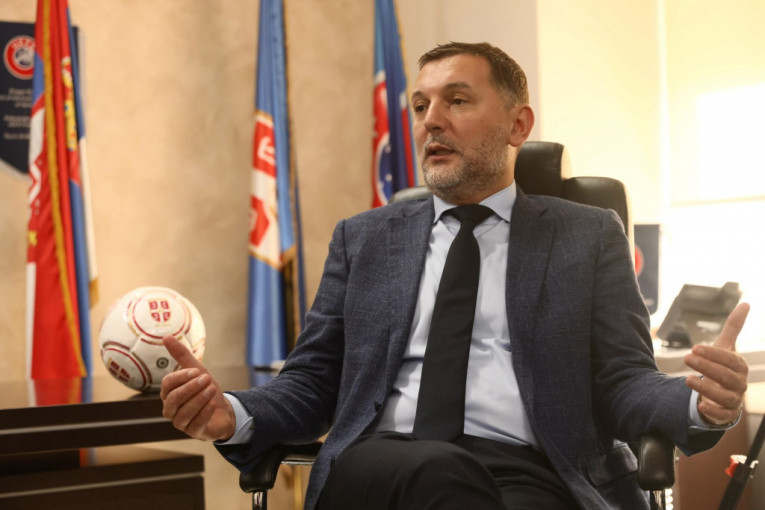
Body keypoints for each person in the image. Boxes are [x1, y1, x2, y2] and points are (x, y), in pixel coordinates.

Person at [160, 42, 750, 509]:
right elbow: (313, 381)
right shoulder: (364, 240)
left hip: (531, 472)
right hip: (379, 467)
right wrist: (233, 414)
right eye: (420, 106)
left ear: (518, 124)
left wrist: (699, 404)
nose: (431, 122)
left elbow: (623, 380)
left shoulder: (587, 236)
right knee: (434, 468)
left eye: (457, 101)